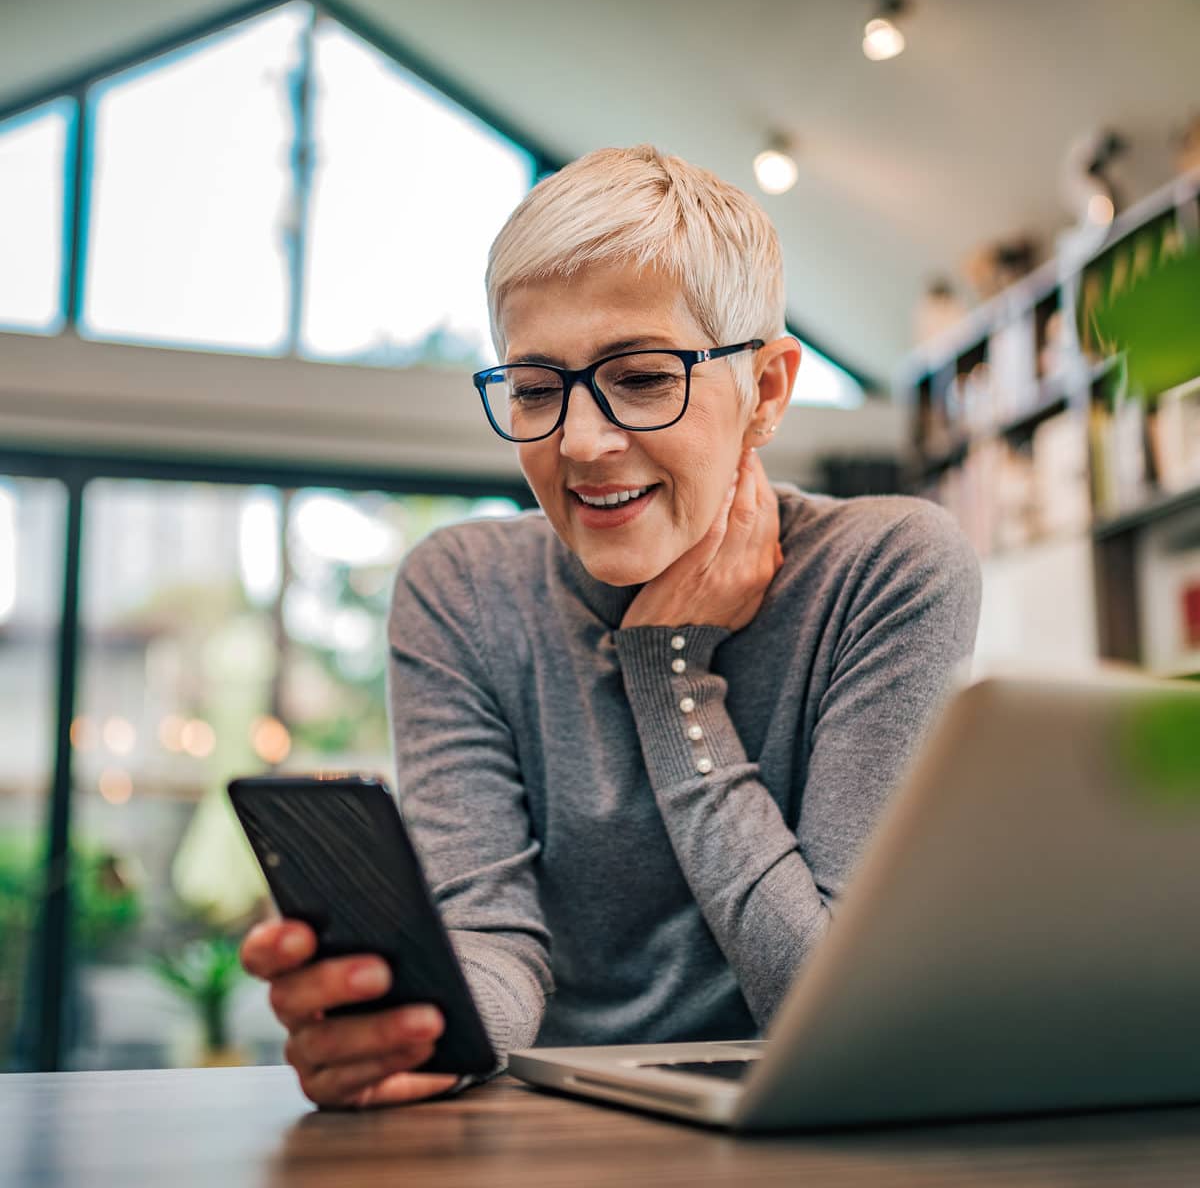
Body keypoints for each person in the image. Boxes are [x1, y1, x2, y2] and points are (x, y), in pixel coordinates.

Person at [240, 145, 982, 1109]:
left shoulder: (888, 571)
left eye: (640, 377)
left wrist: (668, 671)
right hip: (551, 1136)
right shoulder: (462, 590)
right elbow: (495, 942)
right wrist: (419, 1023)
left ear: (765, 391)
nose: (581, 443)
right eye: (536, 389)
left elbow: (828, 1004)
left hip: (807, 1137)